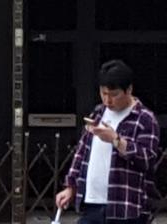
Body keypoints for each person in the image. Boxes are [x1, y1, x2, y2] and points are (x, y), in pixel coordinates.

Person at [56, 60, 161, 224]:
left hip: (126, 207)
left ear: (129, 90)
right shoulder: (98, 113)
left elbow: (147, 159)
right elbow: (82, 153)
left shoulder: (144, 118)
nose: (107, 100)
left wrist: (115, 140)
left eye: (114, 95)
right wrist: (70, 186)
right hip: (91, 203)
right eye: (103, 93)